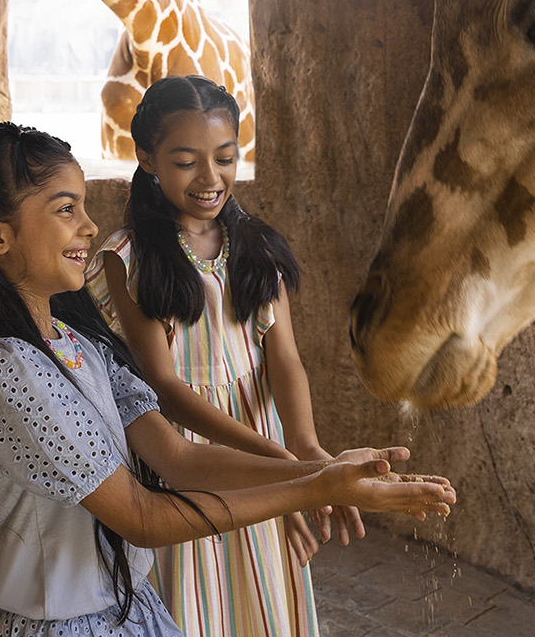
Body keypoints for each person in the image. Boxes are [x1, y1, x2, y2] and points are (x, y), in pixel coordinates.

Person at [0, 121, 457, 637]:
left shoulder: (76, 342)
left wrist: (325, 469)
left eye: (83, 205)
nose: (87, 224)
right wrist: (310, 488)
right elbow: (143, 517)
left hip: (124, 611)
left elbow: (180, 458)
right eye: (65, 208)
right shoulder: (8, 368)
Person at [82, 76, 342, 636]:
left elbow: (285, 360)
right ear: (147, 158)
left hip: (262, 439)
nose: (210, 178)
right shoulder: (129, 259)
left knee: (266, 588)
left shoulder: (259, 247)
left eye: (225, 158)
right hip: (189, 456)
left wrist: (304, 445)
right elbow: (166, 387)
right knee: (199, 601)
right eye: (186, 161)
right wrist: (280, 464)